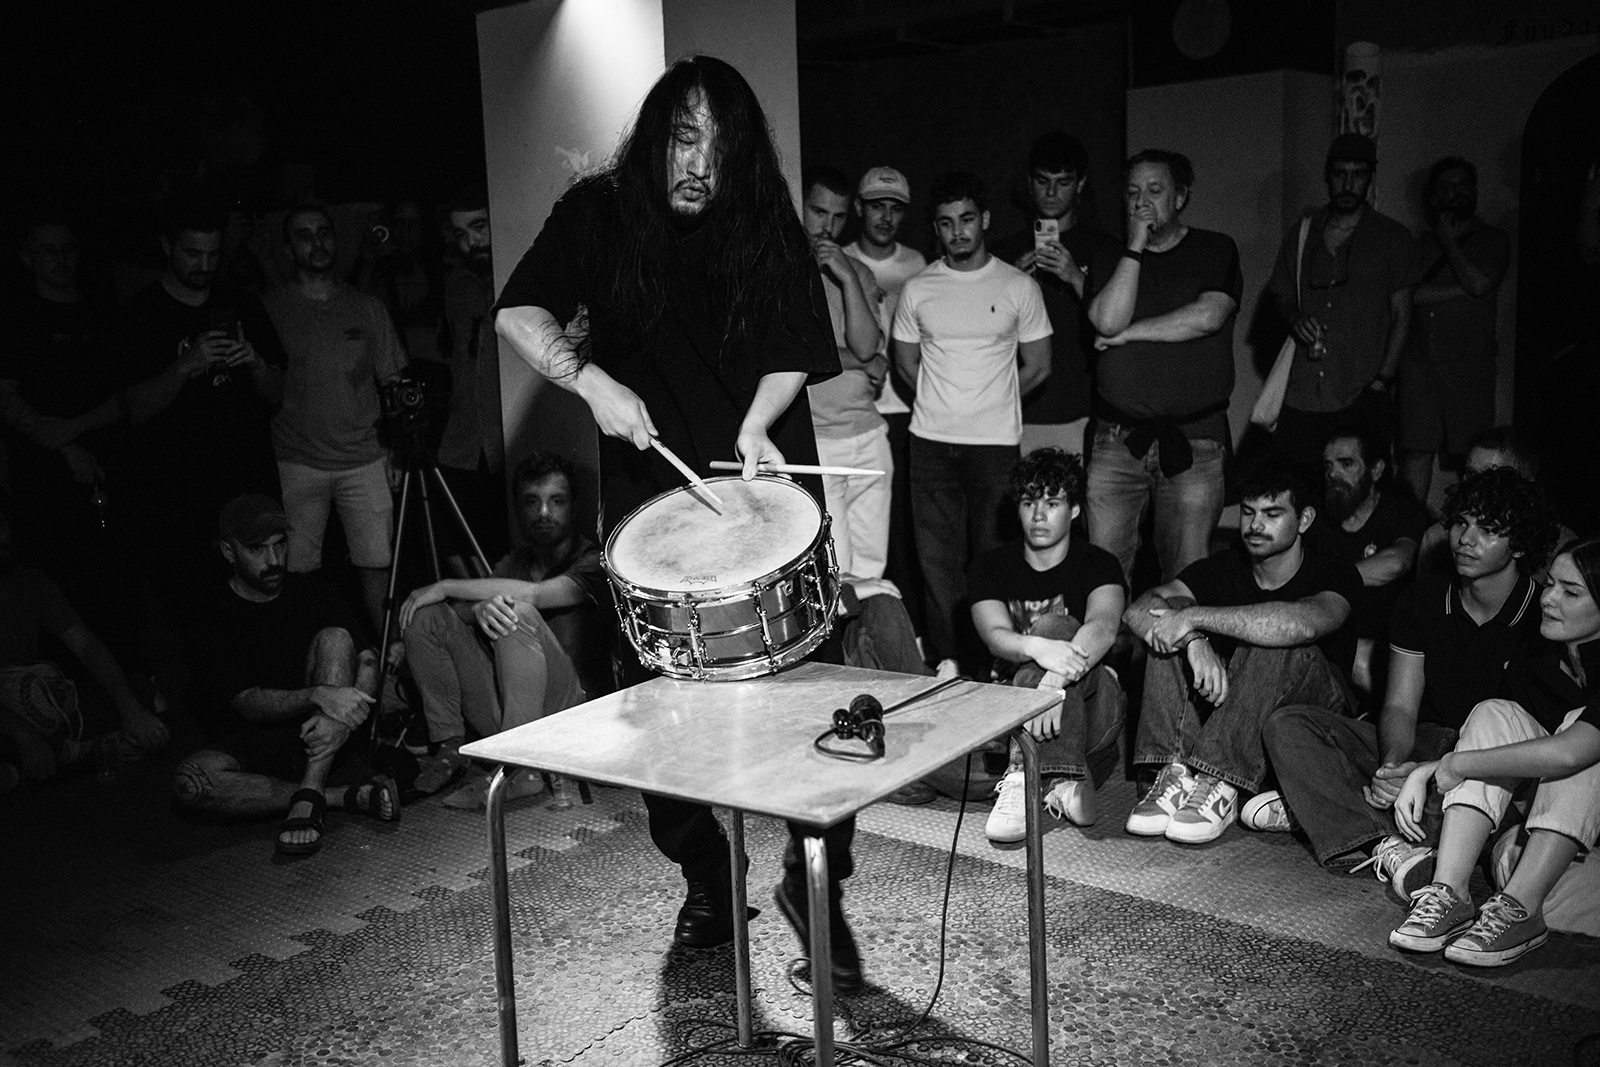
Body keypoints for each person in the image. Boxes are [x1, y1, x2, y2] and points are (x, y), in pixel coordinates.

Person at [491, 57, 864, 990]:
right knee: (659, 711)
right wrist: (589, 380)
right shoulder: (600, 213)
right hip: (650, 499)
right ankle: (706, 868)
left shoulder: (761, 215)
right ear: (656, 134)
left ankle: (815, 864)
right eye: (684, 138)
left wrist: (755, 421)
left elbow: (796, 342)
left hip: (763, 470)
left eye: (721, 146)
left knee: (814, 691)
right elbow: (518, 311)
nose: (700, 163)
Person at [1255, 468, 1559, 900]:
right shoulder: (1424, 599)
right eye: (1460, 523)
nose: (1466, 539)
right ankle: (1385, 842)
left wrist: (1431, 773)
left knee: (1475, 811)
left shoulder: (1542, 614)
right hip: (1422, 741)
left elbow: (1536, 740)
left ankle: (1324, 809)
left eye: (1488, 530)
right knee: (1287, 726)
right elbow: (1399, 705)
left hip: (1487, 766)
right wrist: (1393, 767)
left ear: (1521, 544)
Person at [1121, 464, 1361, 844]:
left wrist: (1193, 617)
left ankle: (1218, 779)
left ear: (1304, 519)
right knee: (1167, 630)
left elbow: (1303, 625)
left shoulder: (1333, 570)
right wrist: (1193, 640)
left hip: (1312, 718)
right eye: (1248, 512)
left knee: (1270, 638)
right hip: (1237, 710)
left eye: (1272, 514)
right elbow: (1138, 610)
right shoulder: (1227, 563)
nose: (1254, 525)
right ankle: (1176, 773)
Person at [1388, 538, 1600, 966]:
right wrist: (1426, 770)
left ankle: (1521, 910)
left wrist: (1456, 764)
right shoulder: (1545, 653)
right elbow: (1502, 740)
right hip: (1563, 831)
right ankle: (1450, 893)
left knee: (1580, 741)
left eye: (1571, 592)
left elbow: (1569, 755)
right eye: (1551, 584)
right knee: (1495, 712)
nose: (1550, 599)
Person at [173, 495, 398, 856]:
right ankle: (342, 797)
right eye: (258, 550)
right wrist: (318, 695)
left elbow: (368, 660)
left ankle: (311, 791)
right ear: (230, 553)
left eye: (280, 546)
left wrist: (344, 715)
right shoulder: (210, 614)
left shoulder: (313, 591)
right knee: (190, 782)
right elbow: (248, 703)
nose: (274, 560)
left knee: (337, 638)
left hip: (323, 737)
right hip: (254, 743)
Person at [892, 171, 1052, 673]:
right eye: (945, 223)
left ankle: (994, 665)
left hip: (994, 447)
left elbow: (1040, 365)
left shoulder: (1017, 286)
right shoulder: (919, 289)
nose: (957, 231)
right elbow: (906, 364)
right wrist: (949, 400)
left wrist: (990, 397)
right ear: (935, 229)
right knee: (938, 568)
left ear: (983, 220)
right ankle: (948, 664)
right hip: (931, 445)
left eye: (966, 220)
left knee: (993, 561)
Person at [398, 452, 607, 807]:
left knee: (518, 612)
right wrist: (477, 608)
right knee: (426, 615)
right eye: (531, 502)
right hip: (511, 715)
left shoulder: (593, 562)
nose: (543, 513)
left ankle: (520, 769)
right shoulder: (515, 563)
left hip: (572, 716)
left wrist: (447, 585)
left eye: (556, 501)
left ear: (573, 507)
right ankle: (450, 746)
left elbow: (537, 596)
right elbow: (474, 609)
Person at [118, 202, 287, 609]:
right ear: (167, 246)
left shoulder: (242, 305)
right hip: (180, 490)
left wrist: (256, 362)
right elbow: (133, 409)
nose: (205, 264)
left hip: (248, 477)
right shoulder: (141, 314)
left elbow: (276, 392)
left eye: (213, 254)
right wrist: (185, 366)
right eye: (193, 253)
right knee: (193, 601)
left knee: (265, 591)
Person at [1085, 150, 1242, 585]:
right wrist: (1134, 246)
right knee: (1103, 574)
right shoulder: (1109, 258)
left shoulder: (1215, 248)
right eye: (1133, 193)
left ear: (1181, 197)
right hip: (1117, 441)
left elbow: (1207, 317)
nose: (1142, 202)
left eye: (1155, 191)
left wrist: (1128, 336)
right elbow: (1107, 320)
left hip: (1194, 441)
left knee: (1186, 577)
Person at [966, 449, 1126, 842]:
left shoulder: (1099, 564)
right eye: (1028, 503)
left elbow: (1102, 628)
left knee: (1056, 624)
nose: (1039, 516)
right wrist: (1038, 649)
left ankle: (1022, 774)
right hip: (1011, 709)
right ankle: (1059, 781)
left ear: (1072, 510)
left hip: (1089, 700)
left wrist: (1051, 682)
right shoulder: (989, 567)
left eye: (1052, 503)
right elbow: (994, 635)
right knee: (927, 770)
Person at [264, 204, 408, 633]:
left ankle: (390, 660)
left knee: (378, 569)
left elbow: (394, 383)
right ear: (289, 249)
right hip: (296, 459)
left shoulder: (365, 307)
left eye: (324, 232)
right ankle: (312, 665)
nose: (317, 241)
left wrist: (396, 450)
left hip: (364, 457)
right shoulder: (271, 309)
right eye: (305, 235)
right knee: (295, 573)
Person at [1266, 133, 1419, 483]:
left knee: (1357, 489)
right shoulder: (1303, 233)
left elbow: (1402, 315)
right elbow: (1281, 295)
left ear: (1370, 178)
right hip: (1303, 391)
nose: (1348, 183)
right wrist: (1294, 318)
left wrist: (1381, 381)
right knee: (1294, 485)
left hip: (1360, 387)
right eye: (1340, 174)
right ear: (1327, 176)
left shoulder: (1392, 238)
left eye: (1358, 174)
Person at [0, 510, 167, 792]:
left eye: (1, 525)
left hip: (33, 701)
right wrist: (22, 735)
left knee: (148, 697)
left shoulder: (29, 582)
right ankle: (79, 754)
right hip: (8, 719)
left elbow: (85, 645)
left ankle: (59, 757)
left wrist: (130, 709)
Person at [992, 131, 1119, 459]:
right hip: (1019, 409)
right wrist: (1011, 287)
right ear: (1029, 183)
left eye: (1062, 182)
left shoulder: (1104, 250)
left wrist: (1076, 277)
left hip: (1085, 410)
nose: (1051, 192)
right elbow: (982, 330)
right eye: (1042, 181)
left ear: (1079, 185)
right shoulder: (1003, 253)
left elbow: (1119, 325)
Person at [844, 166, 928, 639]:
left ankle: (899, 634)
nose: (885, 216)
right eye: (877, 205)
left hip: (905, 410)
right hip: (854, 414)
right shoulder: (838, 259)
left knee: (898, 534)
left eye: (895, 209)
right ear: (859, 208)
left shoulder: (917, 263)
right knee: (850, 539)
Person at [1396, 158, 1511, 505]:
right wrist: (1462, 289)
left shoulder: (1494, 239)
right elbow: (1408, 294)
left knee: (1474, 457)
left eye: (1462, 185)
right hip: (1419, 366)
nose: (1455, 193)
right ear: (1433, 196)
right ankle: (1410, 537)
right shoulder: (1417, 245)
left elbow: (1480, 281)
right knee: (1416, 453)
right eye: (1446, 186)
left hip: (1469, 367)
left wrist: (1451, 245)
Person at [800, 166, 889, 582]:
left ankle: (871, 649)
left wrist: (848, 275)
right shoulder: (782, 271)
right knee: (839, 573)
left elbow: (867, 345)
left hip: (869, 432)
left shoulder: (856, 271)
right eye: (818, 212)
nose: (827, 226)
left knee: (873, 571)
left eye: (837, 217)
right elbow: (800, 356)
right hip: (820, 439)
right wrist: (860, 361)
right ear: (800, 206)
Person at [1304, 428, 1429, 694]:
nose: (1333, 474)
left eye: (1346, 464)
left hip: (1385, 642)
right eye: (1328, 465)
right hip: (1328, 633)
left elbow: (1398, 561)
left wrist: (1331, 579)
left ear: (1376, 470)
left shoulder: (1400, 512)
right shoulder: (1315, 515)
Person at [432, 193, 508, 566]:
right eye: (460, 234)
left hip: (509, 436)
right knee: (455, 545)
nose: (470, 243)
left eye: (479, 227)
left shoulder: (517, 278)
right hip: (462, 439)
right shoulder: (457, 286)